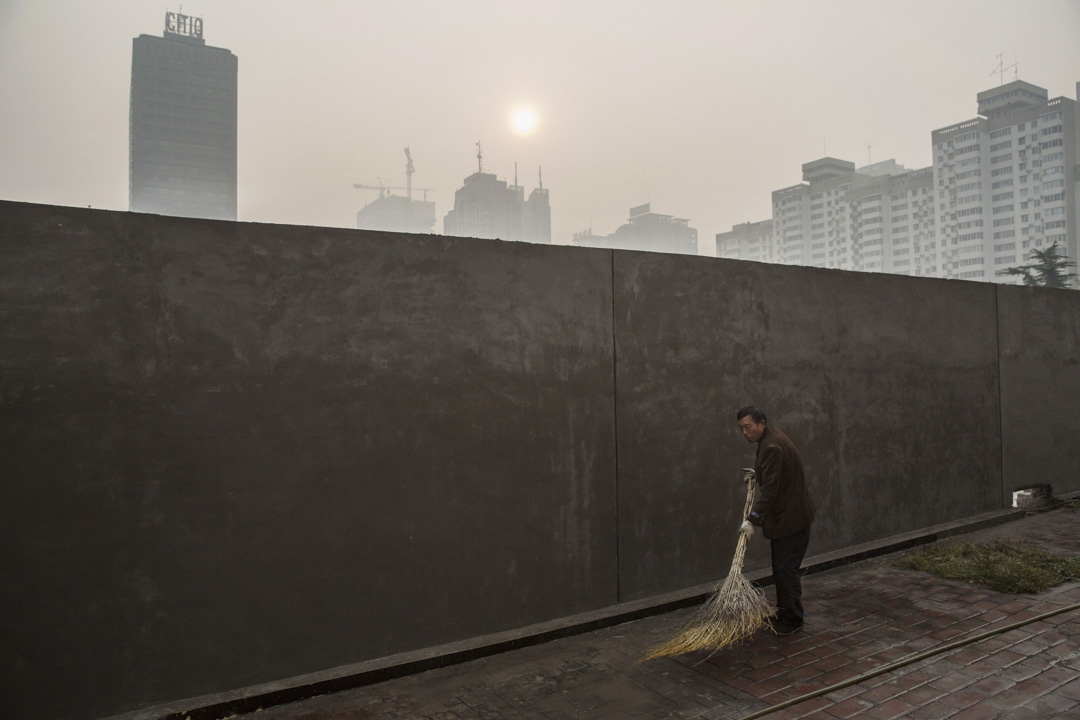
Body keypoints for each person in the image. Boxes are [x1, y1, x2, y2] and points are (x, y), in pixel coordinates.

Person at [736, 406, 816, 636]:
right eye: (740, 428)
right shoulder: (772, 437)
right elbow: (776, 474)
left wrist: (752, 520)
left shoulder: (771, 446)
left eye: (748, 427)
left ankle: (792, 620)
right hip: (792, 516)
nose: (744, 432)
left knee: (786, 570)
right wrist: (758, 474)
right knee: (781, 570)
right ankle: (784, 613)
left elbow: (771, 491)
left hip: (791, 520)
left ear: (762, 423)